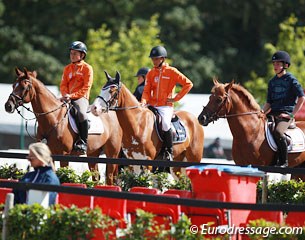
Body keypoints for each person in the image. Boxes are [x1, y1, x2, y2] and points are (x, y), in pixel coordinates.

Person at [141, 46, 193, 161]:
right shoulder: (150, 73)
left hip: (165, 106)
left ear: (163, 59)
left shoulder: (172, 72)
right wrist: (143, 102)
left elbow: (188, 84)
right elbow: (146, 91)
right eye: (153, 59)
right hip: (152, 105)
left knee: (165, 124)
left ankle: (169, 151)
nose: (153, 61)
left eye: (156, 59)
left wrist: (176, 98)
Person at [262, 50, 305, 167]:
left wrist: (291, 115)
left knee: (278, 132)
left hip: (285, 115)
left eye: (278, 63)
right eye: (274, 64)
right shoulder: (272, 82)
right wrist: (260, 113)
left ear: (285, 65)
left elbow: (302, 98)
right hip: (272, 113)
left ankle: (283, 161)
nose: (275, 66)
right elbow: (268, 103)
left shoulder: (291, 80)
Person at [60, 41, 94, 154]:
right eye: (71, 53)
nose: (72, 56)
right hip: (67, 97)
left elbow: (86, 87)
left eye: (75, 53)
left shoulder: (87, 68)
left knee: (81, 114)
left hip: (81, 98)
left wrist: (72, 96)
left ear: (82, 55)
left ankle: (83, 142)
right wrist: (65, 95)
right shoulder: (67, 68)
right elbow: (63, 84)